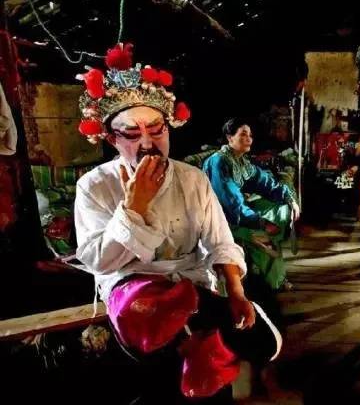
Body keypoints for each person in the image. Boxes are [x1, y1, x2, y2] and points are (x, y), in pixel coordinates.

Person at [73, 43, 281, 401]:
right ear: (111, 138)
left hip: (190, 285)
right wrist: (133, 208)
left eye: (156, 130)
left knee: (248, 330)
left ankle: (203, 339)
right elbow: (98, 262)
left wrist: (235, 292)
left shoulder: (192, 178)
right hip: (133, 291)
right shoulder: (94, 186)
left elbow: (220, 241)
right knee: (159, 336)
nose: (148, 143)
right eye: (132, 134)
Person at [202, 119, 300, 293]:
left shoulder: (242, 162)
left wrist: (289, 199)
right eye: (243, 134)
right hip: (218, 219)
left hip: (235, 214)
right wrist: (261, 223)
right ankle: (270, 280)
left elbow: (265, 182)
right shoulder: (219, 162)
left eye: (250, 135)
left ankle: (273, 278)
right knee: (262, 236)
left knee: (281, 209)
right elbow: (232, 204)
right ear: (230, 138)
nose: (249, 139)